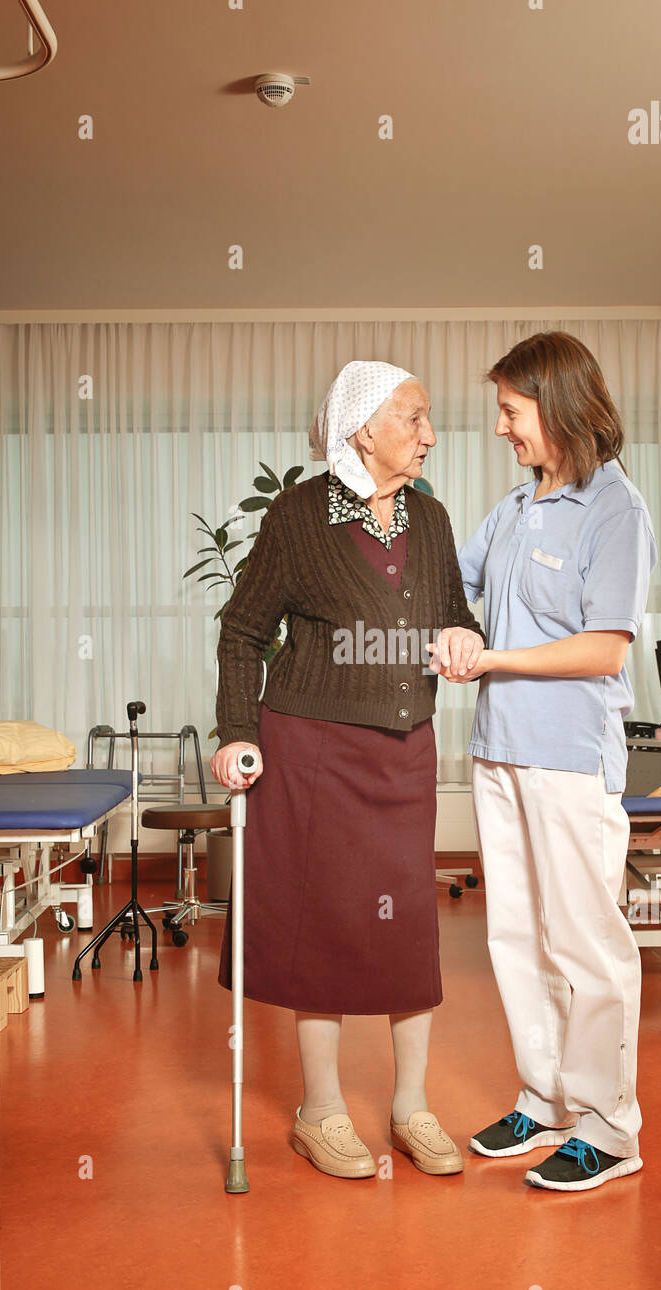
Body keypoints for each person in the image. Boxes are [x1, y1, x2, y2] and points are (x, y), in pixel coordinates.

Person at [210, 360, 485, 1180]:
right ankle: (320, 1110)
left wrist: (462, 639)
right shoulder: (298, 516)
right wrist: (232, 731)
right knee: (321, 922)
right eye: (415, 418)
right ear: (364, 429)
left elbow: (452, 615)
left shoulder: (428, 518)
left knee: (410, 927)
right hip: (314, 748)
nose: (430, 434)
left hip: (404, 748)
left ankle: (410, 1104)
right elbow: (241, 630)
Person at [435, 330, 657, 1192]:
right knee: (517, 936)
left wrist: (490, 657)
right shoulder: (518, 507)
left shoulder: (614, 509)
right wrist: (458, 626)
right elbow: (454, 590)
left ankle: (610, 1127)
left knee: (585, 944)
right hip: (499, 750)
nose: (501, 428)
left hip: (569, 757)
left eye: (510, 410)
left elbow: (604, 650)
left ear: (556, 407)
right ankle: (548, 1097)